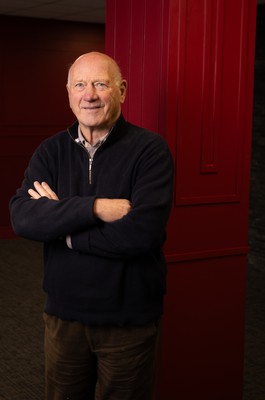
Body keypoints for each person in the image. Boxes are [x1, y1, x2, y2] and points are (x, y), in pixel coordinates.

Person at [9, 51, 174, 400]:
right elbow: (22, 217)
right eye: (80, 85)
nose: (90, 95)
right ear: (68, 92)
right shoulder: (50, 151)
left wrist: (62, 229)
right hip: (63, 318)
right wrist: (95, 208)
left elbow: (140, 234)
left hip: (128, 320)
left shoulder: (150, 151)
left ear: (122, 90)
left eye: (101, 83)